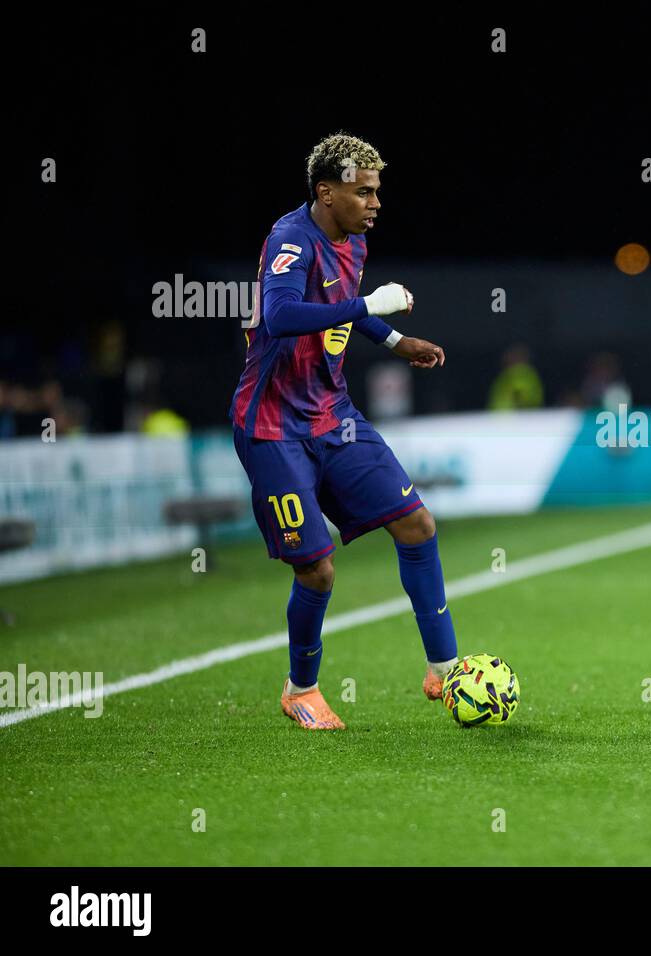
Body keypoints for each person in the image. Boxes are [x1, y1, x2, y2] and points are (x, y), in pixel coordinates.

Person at [229, 132, 457, 730]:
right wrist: (369, 310)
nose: (375, 202)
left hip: (334, 417)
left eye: (378, 191)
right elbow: (280, 317)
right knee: (318, 570)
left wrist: (394, 339)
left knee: (417, 523)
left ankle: (444, 668)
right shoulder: (289, 239)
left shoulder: (350, 241)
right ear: (326, 193)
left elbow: (348, 305)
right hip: (274, 427)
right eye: (364, 192)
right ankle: (301, 688)